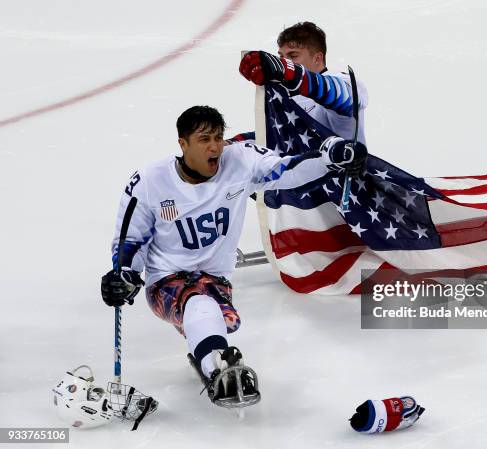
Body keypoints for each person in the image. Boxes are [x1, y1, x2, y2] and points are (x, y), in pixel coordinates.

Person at [100, 105, 366, 408]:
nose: (214, 147)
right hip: (166, 281)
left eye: (217, 137)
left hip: (216, 278)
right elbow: (130, 239)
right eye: (203, 139)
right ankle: (218, 369)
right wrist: (124, 273)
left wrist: (329, 159)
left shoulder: (240, 160)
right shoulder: (149, 182)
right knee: (199, 302)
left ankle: (207, 345)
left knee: (213, 311)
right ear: (182, 144)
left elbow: (287, 171)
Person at [239, 21, 368, 144]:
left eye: (293, 56)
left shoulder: (343, 81)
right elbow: (277, 136)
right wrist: (231, 142)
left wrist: (293, 73)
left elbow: (345, 97)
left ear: (317, 58)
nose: (285, 62)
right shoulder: (289, 94)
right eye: (281, 57)